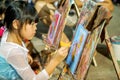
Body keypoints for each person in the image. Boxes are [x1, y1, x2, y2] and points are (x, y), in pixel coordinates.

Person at [0, 1, 68, 80]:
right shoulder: (13, 52)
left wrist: (25, 57)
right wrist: (55, 61)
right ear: (16, 24)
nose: (35, 28)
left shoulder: (9, 33)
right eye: (32, 24)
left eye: (36, 25)